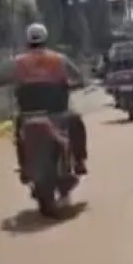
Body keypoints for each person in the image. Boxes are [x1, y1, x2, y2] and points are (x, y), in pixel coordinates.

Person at [12, 23, 89, 181]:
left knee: (20, 135)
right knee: (76, 122)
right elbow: (79, 76)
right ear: (46, 38)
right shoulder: (58, 58)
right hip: (58, 111)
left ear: (27, 40)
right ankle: (79, 161)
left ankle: (24, 166)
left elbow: (11, 82)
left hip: (28, 113)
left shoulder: (18, 61)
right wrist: (79, 82)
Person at [106, 38, 133, 102]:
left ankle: (116, 97)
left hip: (118, 69)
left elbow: (110, 58)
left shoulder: (115, 47)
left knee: (110, 80)